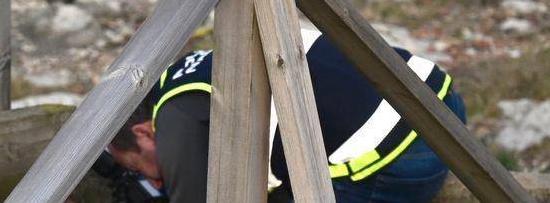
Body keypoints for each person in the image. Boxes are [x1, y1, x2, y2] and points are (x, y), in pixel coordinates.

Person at [105, 44, 464, 203]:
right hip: (441, 105)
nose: (156, 180)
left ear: (144, 133)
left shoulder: (175, 118)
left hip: (396, 161)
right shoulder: (192, 73)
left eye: (143, 168)